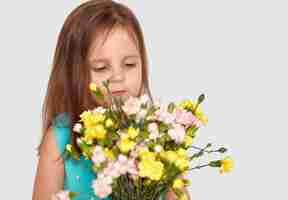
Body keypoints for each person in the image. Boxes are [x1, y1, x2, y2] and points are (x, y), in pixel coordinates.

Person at [32, 0, 191, 200]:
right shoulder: (60, 139)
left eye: (130, 64)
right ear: (73, 73)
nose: (118, 77)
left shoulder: (159, 137)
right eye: (101, 68)